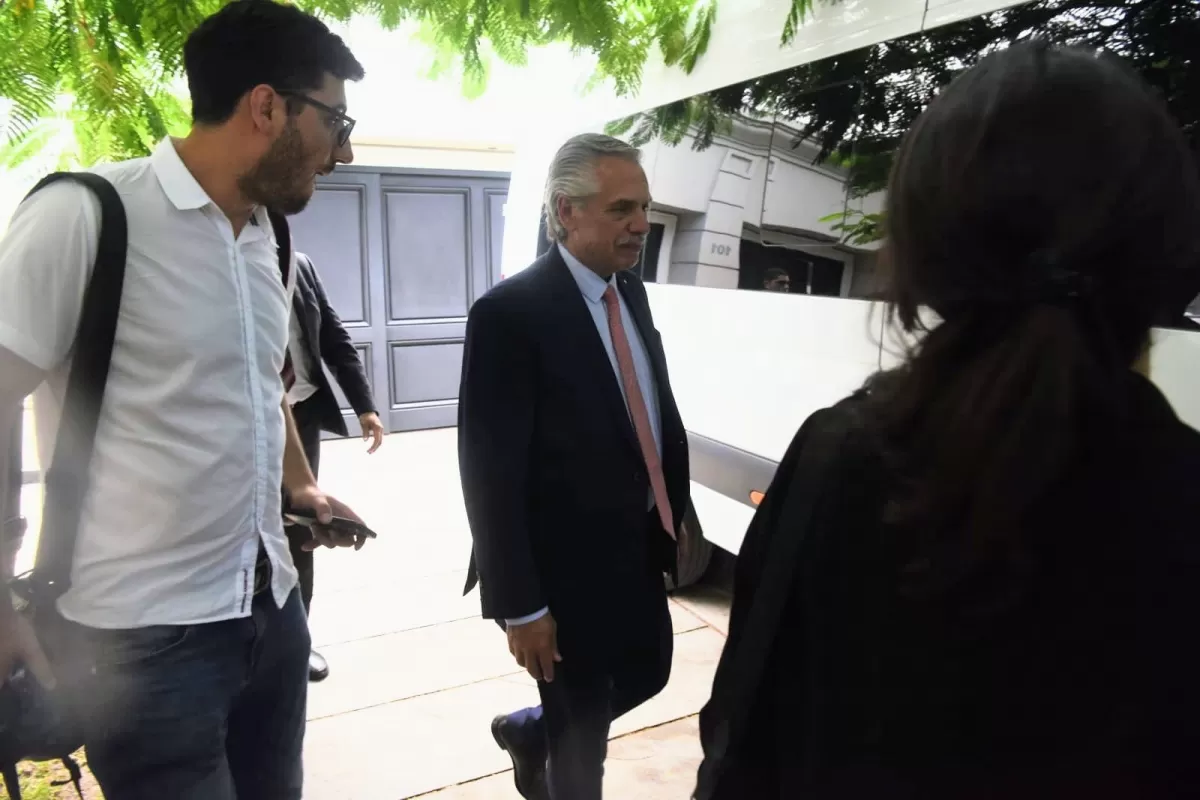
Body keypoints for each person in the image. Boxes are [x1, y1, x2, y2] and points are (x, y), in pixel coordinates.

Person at [696, 41, 1200, 799]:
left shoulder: (835, 460)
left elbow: (742, 739)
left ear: (922, 245)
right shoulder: (1180, 496)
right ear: (1167, 253)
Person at [0, 2, 371, 797]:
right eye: (335, 121)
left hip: (273, 612)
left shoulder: (266, 236)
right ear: (267, 107)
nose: (342, 153)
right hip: (141, 645)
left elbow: (263, 387)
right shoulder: (87, 216)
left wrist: (300, 488)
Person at [458, 133, 691, 800]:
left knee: (650, 671)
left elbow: (650, 411)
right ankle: (549, 741)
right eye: (622, 209)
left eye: (644, 207)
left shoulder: (631, 294)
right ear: (566, 211)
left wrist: (671, 516)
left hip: (636, 549)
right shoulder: (511, 314)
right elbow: (488, 471)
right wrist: (522, 605)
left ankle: (530, 731)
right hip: (561, 573)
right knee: (582, 747)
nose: (642, 225)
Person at [285, 251, 385, 682]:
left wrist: (364, 405)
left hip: (301, 413)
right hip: (244, 417)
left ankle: (294, 643)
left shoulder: (300, 264)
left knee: (301, 528)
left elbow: (333, 338)